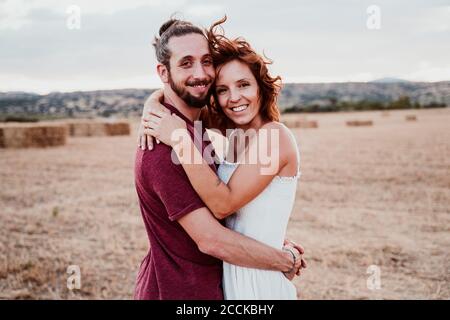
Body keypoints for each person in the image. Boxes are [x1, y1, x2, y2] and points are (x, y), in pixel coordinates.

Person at [134, 17, 305, 300]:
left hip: (257, 280)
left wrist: (280, 254)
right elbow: (223, 221)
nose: (234, 97)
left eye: (244, 85)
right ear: (163, 72)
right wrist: (151, 105)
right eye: (223, 90)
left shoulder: (274, 136)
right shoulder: (224, 131)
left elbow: (223, 205)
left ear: (260, 88)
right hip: (232, 275)